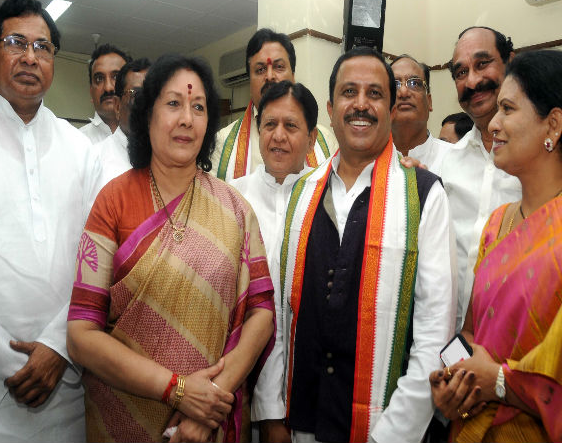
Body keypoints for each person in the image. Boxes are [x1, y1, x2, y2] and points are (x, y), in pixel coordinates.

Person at [67, 54, 275, 443]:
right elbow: (81, 335)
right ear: (148, 115)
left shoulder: (235, 209)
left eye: (198, 107)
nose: (187, 119)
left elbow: (261, 313)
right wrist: (178, 390)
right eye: (174, 103)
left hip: (209, 423)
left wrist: (211, 399)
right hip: (121, 420)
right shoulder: (113, 202)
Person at [276, 47, 456, 443]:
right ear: (330, 109)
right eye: (349, 92)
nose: (361, 104)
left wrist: (391, 435)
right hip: (302, 420)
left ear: (390, 110)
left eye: (374, 93)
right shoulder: (300, 192)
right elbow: (280, 311)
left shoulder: (424, 195)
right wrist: (273, 415)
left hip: (384, 427)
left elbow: (434, 333)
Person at [0, 0, 101, 442]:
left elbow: (98, 260)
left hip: (67, 395)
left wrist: (57, 347)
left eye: (43, 47)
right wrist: (11, 365)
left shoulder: (80, 149)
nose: (30, 57)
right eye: (16, 43)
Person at [429, 49, 562, 443]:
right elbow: (472, 332)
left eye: (508, 109)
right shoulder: (497, 224)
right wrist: (452, 383)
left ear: (553, 125)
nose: (494, 124)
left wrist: (501, 382)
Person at [231, 80, 318, 443]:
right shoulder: (232, 197)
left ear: (312, 139)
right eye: (270, 124)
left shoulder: (327, 195)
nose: (278, 136)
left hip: (315, 386)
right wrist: (268, 410)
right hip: (242, 381)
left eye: (291, 126)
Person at [435, 27, 522, 332]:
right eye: (461, 72)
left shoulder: (541, 160)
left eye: (482, 64)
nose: (472, 81)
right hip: (449, 338)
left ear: (510, 62)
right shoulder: (446, 162)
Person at [212, 28, 338, 182]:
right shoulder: (222, 144)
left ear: (293, 76)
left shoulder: (325, 140)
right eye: (260, 69)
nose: (270, 76)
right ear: (250, 81)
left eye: (279, 67)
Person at [96, 57, 150, 184]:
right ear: (117, 106)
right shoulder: (95, 161)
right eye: (137, 95)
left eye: (153, 96)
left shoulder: (167, 163)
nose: (145, 105)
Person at [391, 54, 450, 168]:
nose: (403, 92)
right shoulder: (365, 162)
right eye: (394, 85)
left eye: (414, 83)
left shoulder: (454, 158)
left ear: (429, 101)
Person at [80, 43, 132, 144]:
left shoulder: (151, 141)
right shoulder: (77, 143)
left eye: (116, 77)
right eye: (99, 79)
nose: (108, 88)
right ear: (91, 92)